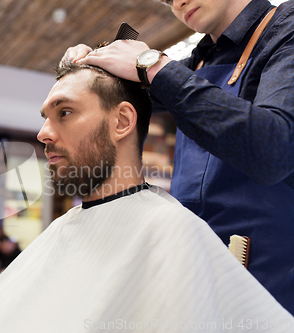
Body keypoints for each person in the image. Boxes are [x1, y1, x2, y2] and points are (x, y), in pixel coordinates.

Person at [0, 63, 293, 333]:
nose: (43, 133)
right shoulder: (69, 226)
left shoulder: (170, 231)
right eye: (45, 117)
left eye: (65, 112)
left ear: (122, 121)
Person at [61, 0, 294, 314]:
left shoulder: (285, 28)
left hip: (273, 291)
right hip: (196, 277)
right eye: (167, 0)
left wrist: (154, 66)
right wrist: (90, 68)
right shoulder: (198, 63)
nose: (177, 3)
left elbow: (273, 150)